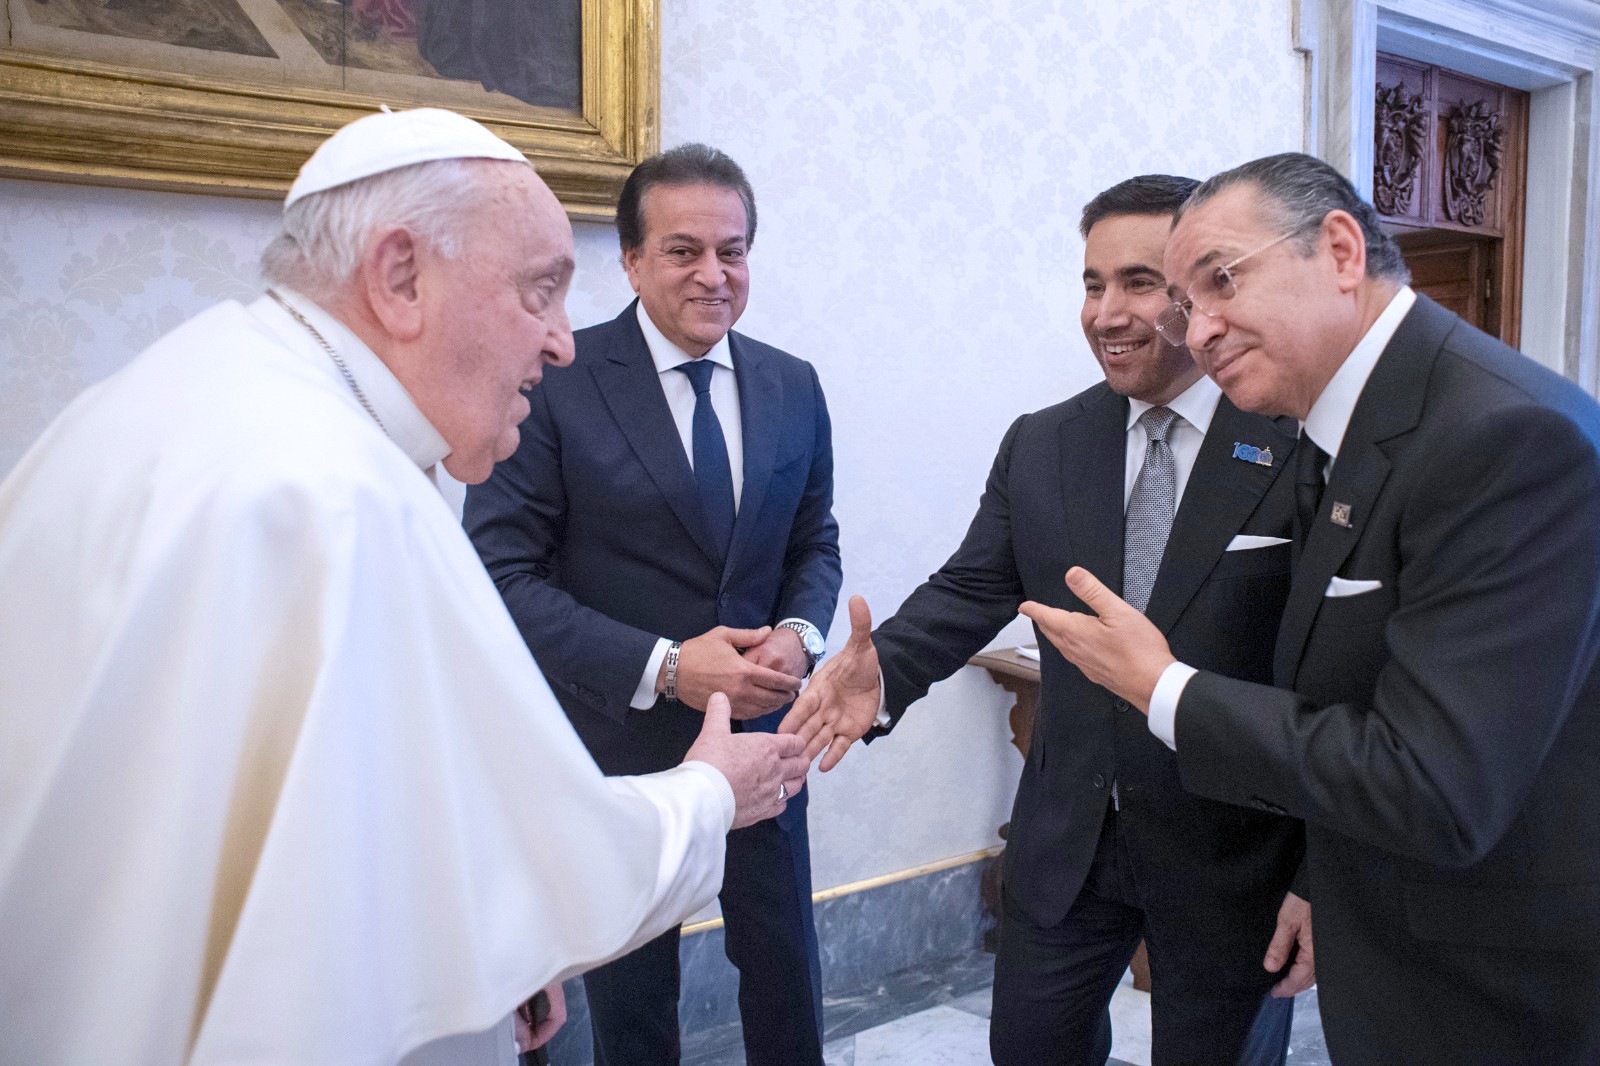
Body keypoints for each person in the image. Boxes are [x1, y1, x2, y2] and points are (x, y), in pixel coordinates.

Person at [0, 107, 807, 1066]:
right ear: (399, 277)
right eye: (539, 291)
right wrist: (711, 793)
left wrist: (485, 939)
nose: (560, 342)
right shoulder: (332, 496)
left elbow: (346, 812)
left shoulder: (199, 395)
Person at [1022, 152, 1600, 1064]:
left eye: (1220, 282)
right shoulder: (1346, 428)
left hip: (1489, 991)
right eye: (1185, 302)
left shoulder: (1502, 436)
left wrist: (1163, 686)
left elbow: (1435, 785)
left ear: (1337, 250)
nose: (1198, 330)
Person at [782, 175, 1308, 1065]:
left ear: (1200, 286)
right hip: (1070, 844)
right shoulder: (1044, 442)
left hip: (1231, 861)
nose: (1107, 312)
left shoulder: (1295, 443)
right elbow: (970, 588)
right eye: (1092, 284)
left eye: (1139, 282)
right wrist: (885, 673)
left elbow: (1331, 677)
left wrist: (1314, 876)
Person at [465, 143, 841, 1066]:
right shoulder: (555, 378)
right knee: (633, 995)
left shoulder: (793, 383)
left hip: (763, 735)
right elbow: (500, 577)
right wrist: (667, 667)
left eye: (733, 250)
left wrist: (798, 635)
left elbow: (813, 541)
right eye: (683, 251)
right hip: (618, 743)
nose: (714, 275)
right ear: (630, 261)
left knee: (785, 958)